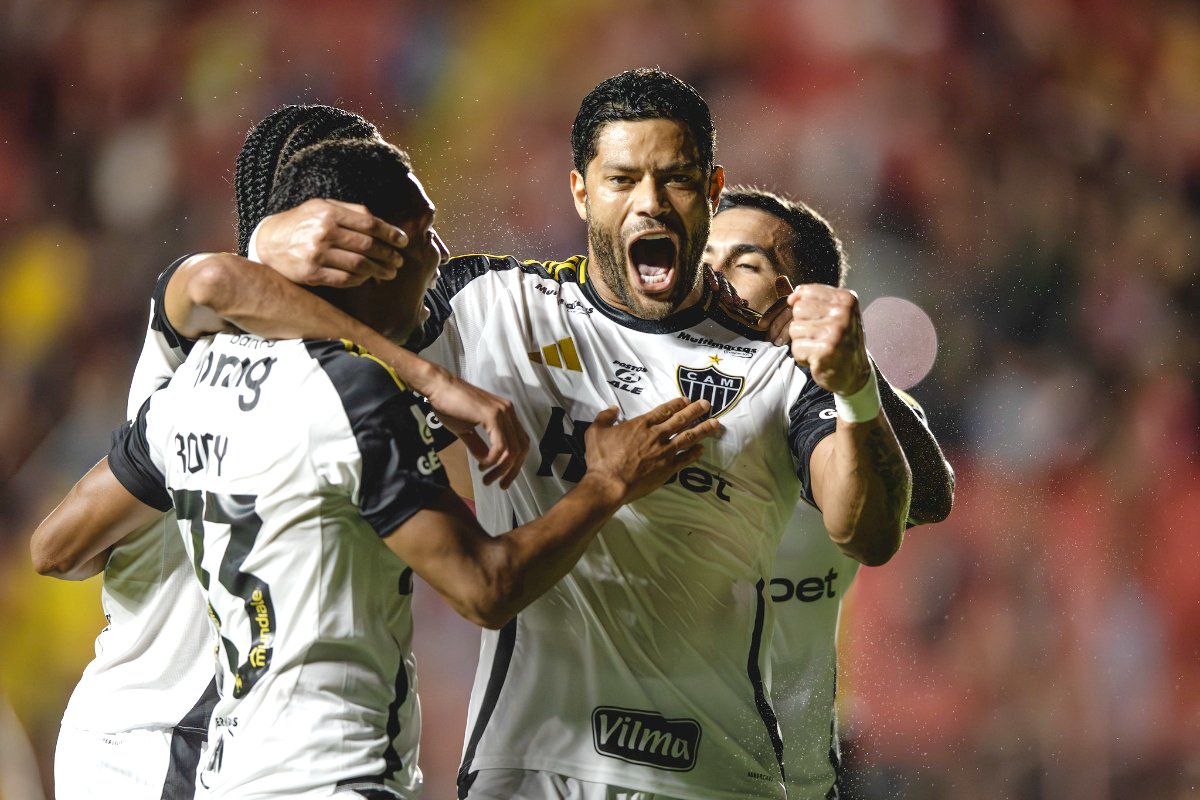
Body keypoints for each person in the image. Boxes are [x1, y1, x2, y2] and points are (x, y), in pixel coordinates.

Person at [231, 68, 912, 800]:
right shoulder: (489, 305)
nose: (649, 202)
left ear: (713, 192)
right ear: (581, 191)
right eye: (622, 180)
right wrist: (264, 243)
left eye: (675, 180)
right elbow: (293, 325)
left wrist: (857, 387)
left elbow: (868, 532)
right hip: (529, 768)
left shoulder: (774, 362)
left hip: (714, 778)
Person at [35, 136, 720, 799]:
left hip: (213, 765)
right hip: (325, 771)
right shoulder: (353, 393)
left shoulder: (191, 379)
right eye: (425, 235)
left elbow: (54, 547)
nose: (442, 254)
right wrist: (607, 484)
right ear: (366, 254)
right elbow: (487, 585)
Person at [29, 104, 530, 800]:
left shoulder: (335, 369)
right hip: (175, 732)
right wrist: (266, 244)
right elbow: (212, 283)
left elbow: (56, 550)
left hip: (190, 742)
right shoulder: (198, 335)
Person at [705, 185, 954, 798]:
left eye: (741, 264)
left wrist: (853, 374)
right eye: (703, 256)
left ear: (798, 302)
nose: (709, 276)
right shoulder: (637, 370)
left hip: (791, 759)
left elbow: (929, 495)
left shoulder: (836, 410)